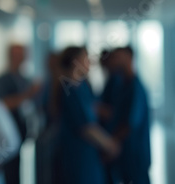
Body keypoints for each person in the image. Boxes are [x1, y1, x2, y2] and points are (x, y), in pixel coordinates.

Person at [56, 46, 119, 184]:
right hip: (79, 158)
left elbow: (91, 108)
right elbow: (86, 127)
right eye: (85, 59)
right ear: (75, 62)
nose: (89, 63)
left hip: (90, 156)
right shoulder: (70, 90)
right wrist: (110, 145)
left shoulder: (82, 86)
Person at [104, 47, 151, 184]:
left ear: (129, 58)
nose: (114, 61)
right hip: (125, 155)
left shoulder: (135, 88)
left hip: (135, 154)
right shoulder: (123, 86)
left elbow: (130, 124)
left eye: (118, 57)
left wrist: (110, 143)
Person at [0, 44, 40, 184]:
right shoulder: (3, 80)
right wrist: (28, 94)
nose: (21, 59)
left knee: (17, 171)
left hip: (21, 132)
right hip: (7, 136)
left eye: (23, 55)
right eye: (17, 55)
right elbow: (2, 104)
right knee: (10, 172)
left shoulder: (24, 79)